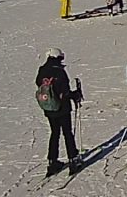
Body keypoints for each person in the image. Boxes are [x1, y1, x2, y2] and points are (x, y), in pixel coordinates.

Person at [36, 48, 83, 176]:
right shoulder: (59, 71)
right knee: (67, 133)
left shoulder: (42, 70)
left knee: (54, 132)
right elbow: (65, 91)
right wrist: (75, 95)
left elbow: (38, 84)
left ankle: (53, 161)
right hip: (62, 108)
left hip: (49, 108)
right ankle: (73, 159)